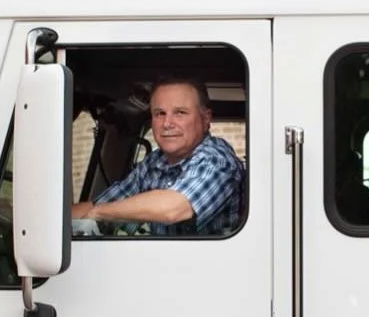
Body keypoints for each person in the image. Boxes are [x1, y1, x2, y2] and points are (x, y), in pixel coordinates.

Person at [71, 76, 244, 236]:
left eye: (180, 113)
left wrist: (99, 213)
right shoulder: (154, 162)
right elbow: (102, 204)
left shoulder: (217, 160)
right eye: (160, 113)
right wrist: (51, 221)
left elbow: (173, 208)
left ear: (206, 119)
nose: (167, 124)